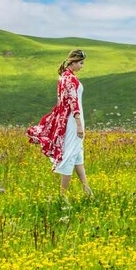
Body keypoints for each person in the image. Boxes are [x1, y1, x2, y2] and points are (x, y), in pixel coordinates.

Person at [26, 49, 93, 198]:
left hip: (69, 119)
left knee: (77, 154)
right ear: (73, 62)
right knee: (70, 155)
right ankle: (62, 195)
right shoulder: (70, 79)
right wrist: (79, 124)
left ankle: (87, 189)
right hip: (73, 120)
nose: (82, 66)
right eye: (81, 63)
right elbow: (73, 102)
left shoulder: (64, 77)